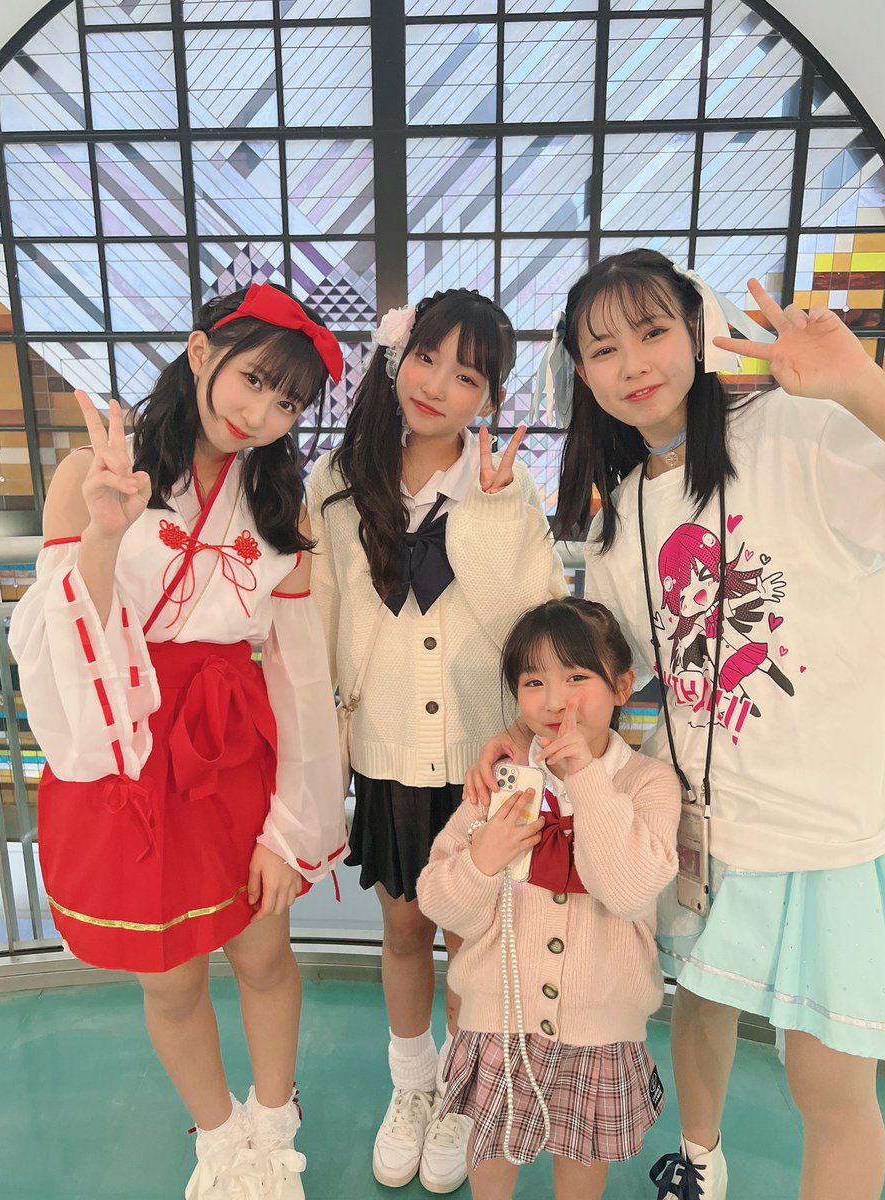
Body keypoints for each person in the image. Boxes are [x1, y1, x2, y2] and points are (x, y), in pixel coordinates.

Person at [465, 249, 885, 1200]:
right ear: (582, 374)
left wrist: (862, 385)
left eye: (653, 331)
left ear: (698, 335)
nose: (633, 364)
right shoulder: (623, 515)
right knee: (698, 1011)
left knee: (829, 1084)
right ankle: (699, 1162)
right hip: (698, 827)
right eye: (602, 349)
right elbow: (609, 670)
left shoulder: (800, 430)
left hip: (823, 827)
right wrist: (526, 736)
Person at [9, 282, 349, 1200]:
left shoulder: (277, 504)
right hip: (124, 747)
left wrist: (292, 828)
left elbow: (298, 677)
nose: (263, 415)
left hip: (232, 752)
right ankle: (221, 1141)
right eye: (253, 381)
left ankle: (274, 1128)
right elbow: (57, 636)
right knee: (167, 977)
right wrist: (102, 533)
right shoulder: (94, 471)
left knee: (262, 955)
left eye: (289, 403)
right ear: (201, 353)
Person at [306, 288, 568, 1193]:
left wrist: (491, 521)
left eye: (467, 376)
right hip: (385, 752)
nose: (437, 386)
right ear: (397, 358)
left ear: (488, 397)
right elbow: (321, 618)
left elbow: (531, 625)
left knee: (474, 935)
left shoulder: (505, 485)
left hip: (481, 759)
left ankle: (460, 1095)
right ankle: (412, 1085)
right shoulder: (338, 481)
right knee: (404, 925)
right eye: (426, 358)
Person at [417, 597, 680, 1200]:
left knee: (582, 1159)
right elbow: (438, 899)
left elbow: (629, 889)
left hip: (600, 1026)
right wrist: (483, 858)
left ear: (622, 685)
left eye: (577, 677)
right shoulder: (503, 781)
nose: (555, 701)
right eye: (534, 682)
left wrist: (585, 777)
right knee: (491, 1150)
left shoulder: (648, 784)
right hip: (496, 1020)